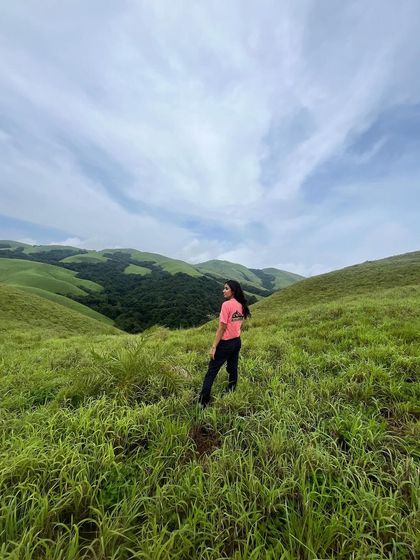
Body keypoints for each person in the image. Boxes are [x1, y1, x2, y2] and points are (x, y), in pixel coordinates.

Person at [198, 279, 251, 407]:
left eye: (226, 288)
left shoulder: (226, 305)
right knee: (233, 368)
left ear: (233, 291)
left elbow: (221, 328)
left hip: (225, 344)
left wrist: (213, 347)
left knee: (211, 372)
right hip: (237, 341)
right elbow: (240, 323)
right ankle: (231, 389)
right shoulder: (241, 305)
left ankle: (202, 403)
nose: (223, 290)